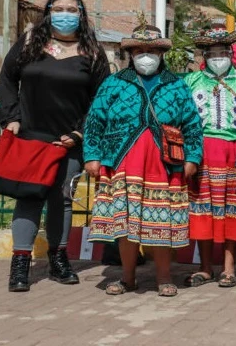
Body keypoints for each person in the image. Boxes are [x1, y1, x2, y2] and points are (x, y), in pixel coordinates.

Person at [0, 0, 110, 292]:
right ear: (48, 12)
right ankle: (20, 262)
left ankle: (59, 258)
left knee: (62, 198)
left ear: (82, 14)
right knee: (29, 196)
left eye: (72, 10)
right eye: (58, 8)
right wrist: (11, 118)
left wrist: (79, 134)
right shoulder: (31, 41)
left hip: (69, 140)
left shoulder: (94, 52)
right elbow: (8, 78)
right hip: (30, 136)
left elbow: (101, 100)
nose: (65, 14)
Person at [85, 24, 204, 297]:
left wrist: (193, 158)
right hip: (122, 161)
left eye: (152, 50)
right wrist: (92, 155)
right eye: (139, 50)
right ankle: (128, 278)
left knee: (161, 223)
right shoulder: (113, 84)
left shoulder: (176, 85)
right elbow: (95, 120)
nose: (146, 55)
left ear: (162, 53)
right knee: (125, 225)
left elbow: (192, 124)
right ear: (130, 53)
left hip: (164, 165)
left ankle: (164, 278)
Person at [183, 28, 236, 288]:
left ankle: (229, 268)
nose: (218, 58)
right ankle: (204, 267)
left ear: (231, 53)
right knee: (202, 209)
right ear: (204, 55)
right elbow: (185, 119)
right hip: (202, 150)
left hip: (233, 150)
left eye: (223, 52)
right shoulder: (191, 81)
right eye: (212, 53)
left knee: (232, 208)